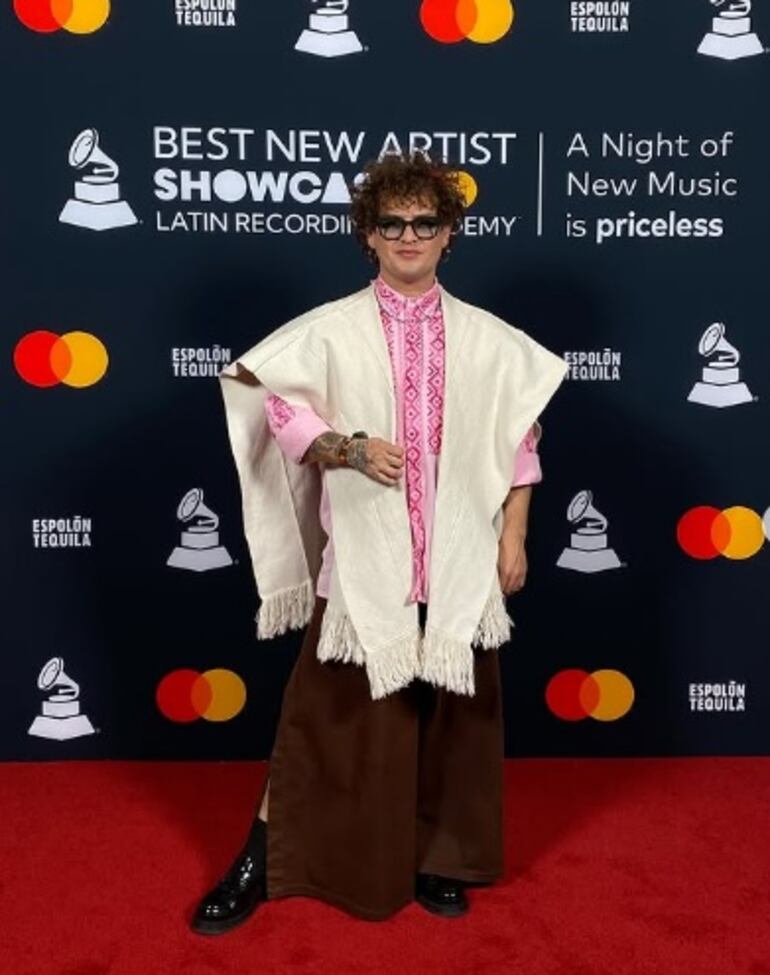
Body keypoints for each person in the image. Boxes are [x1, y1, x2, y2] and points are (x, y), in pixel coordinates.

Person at [191, 152, 568, 934]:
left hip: (461, 554)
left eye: (423, 223)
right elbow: (283, 416)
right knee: (321, 717)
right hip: (365, 555)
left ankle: (442, 860)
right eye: (391, 223)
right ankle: (264, 859)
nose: (408, 236)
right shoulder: (330, 331)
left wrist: (516, 531)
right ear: (368, 234)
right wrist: (350, 448)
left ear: (448, 234)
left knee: (456, 719)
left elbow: (518, 438)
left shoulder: (488, 339)